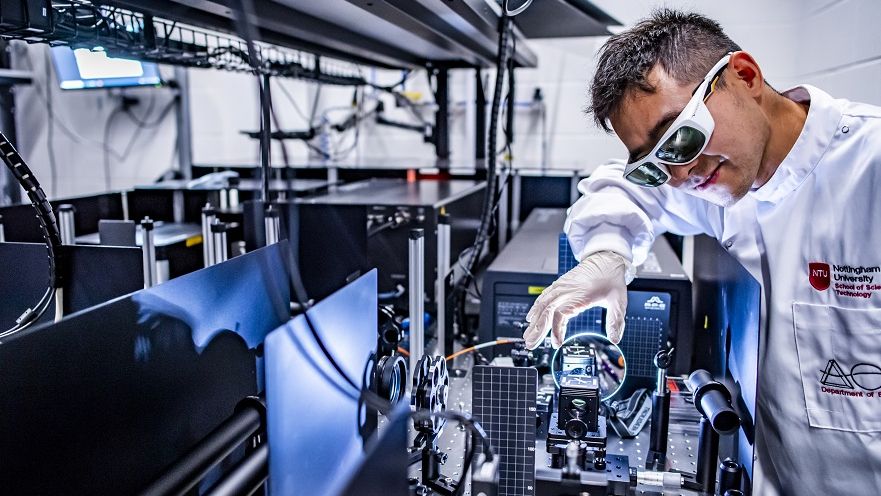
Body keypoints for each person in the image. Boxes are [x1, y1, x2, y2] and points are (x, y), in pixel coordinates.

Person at [522, 9, 881, 495]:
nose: (678, 174)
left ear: (745, 77)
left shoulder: (869, 168)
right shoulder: (722, 181)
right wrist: (607, 254)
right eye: (654, 163)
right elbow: (620, 188)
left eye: (681, 136)